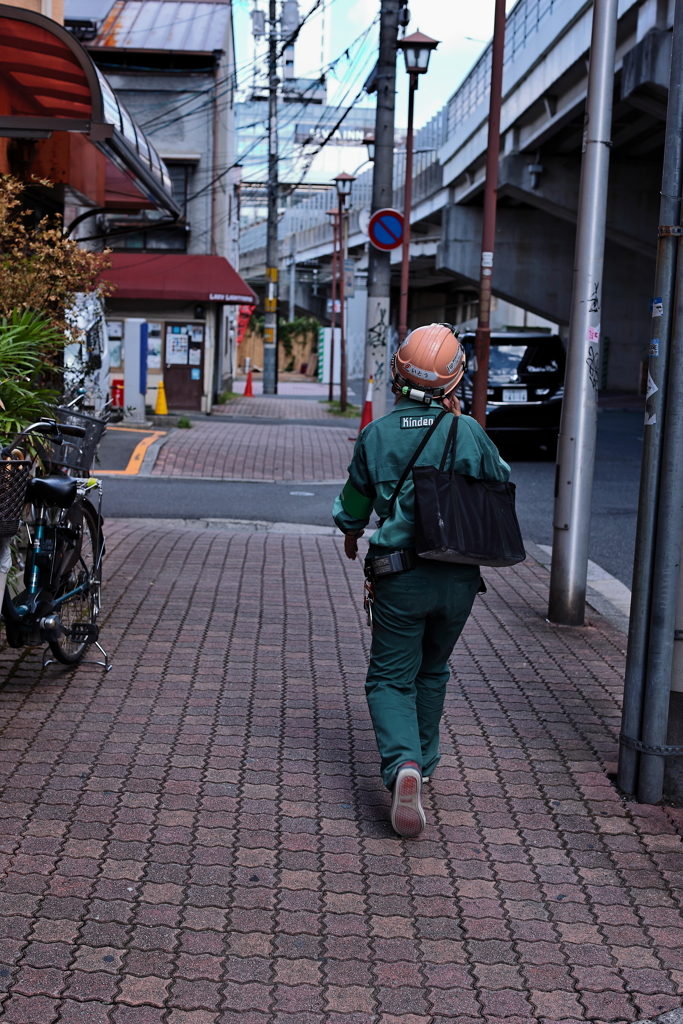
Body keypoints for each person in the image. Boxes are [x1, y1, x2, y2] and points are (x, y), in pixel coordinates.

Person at [332, 323, 510, 838]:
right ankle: (426, 764)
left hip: (399, 575)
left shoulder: (379, 433)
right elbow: (499, 479)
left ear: (396, 375)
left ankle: (402, 765)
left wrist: (349, 533)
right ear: (453, 383)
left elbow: (354, 504)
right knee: (433, 670)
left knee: (390, 676)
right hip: (458, 577)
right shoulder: (469, 431)